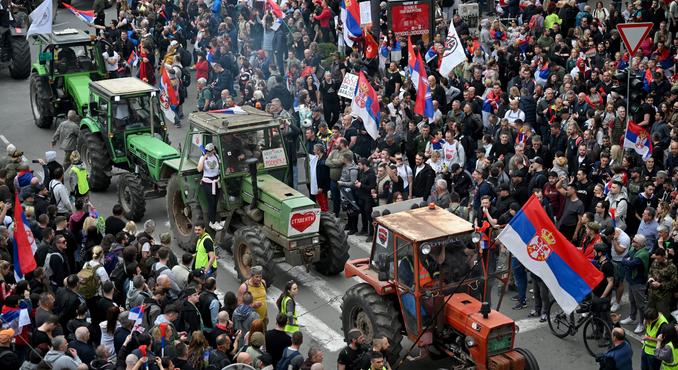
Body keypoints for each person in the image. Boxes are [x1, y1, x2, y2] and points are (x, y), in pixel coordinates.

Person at [197, 142, 223, 231]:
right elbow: (199, 169)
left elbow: (219, 166)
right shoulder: (203, 157)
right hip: (208, 182)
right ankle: (212, 222)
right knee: (211, 202)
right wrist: (204, 158)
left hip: (216, 181)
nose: (210, 152)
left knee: (216, 201)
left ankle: (215, 220)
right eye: (208, 151)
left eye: (211, 151)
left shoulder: (216, 156)